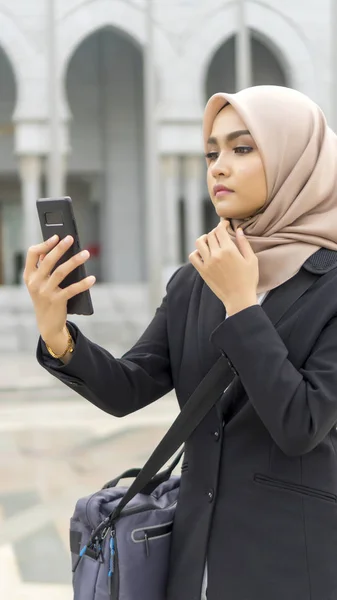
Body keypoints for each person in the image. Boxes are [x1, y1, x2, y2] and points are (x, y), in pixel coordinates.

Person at [24, 85, 337, 600]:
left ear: (295, 158)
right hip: (191, 565)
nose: (218, 166)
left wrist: (242, 304)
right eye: (211, 151)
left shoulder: (328, 285)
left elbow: (301, 423)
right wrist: (57, 334)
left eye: (242, 148)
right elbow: (131, 387)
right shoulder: (195, 280)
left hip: (290, 568)